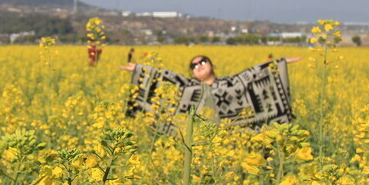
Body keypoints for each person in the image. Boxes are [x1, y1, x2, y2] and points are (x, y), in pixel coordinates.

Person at [121, 54, 300, 131]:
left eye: (203, 62)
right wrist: (141, 69)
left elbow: (251, 76)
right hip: (199, 145)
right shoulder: (188, 87)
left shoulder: (230, 83)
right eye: (194, 65)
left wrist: (279, 64)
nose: (199, 66)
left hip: (229, 143)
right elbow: (168, 79)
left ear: (212, 65)